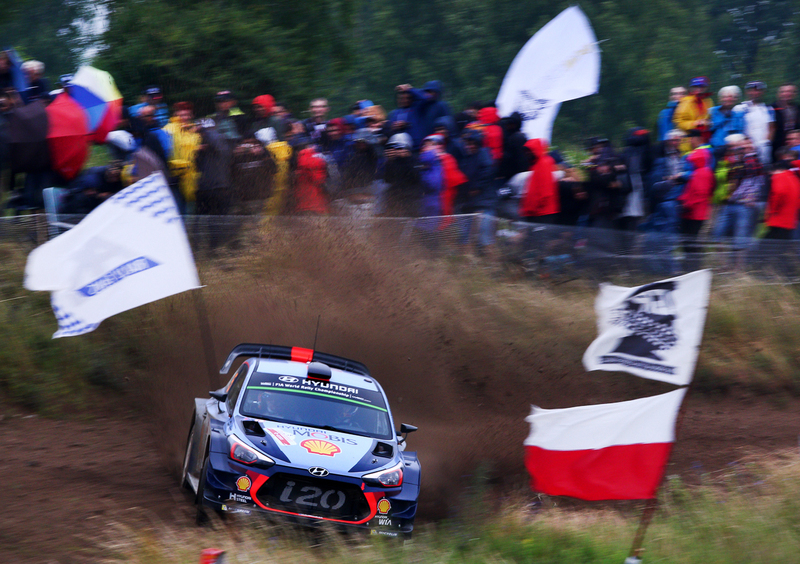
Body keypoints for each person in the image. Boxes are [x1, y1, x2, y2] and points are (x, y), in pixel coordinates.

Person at [163, 101, 201, 213]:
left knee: (191, 206)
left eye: (187, 114)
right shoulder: (168, 129)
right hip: (175, 176)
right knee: (178, 208)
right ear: (176, 114)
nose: (185, 117)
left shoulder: (195, 130)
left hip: (192, 175)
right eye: (182, 114)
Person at [519, 138, 559, 224]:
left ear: (536, 150)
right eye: (526, 151)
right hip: (538, 211)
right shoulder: (536, 164)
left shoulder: (543, 163)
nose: (527, 153)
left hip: (542, 212)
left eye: (530, 150)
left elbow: (546, 190)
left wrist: (534, 207)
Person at [736, 81, 775, 164]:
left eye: (758, 90)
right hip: (746, 147)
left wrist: (766, 142)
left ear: (763, 92)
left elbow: (772, 127)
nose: (755, 93)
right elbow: (737, 128)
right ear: (747, 92)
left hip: (763, 146)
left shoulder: (769, 108)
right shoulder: (740, 108)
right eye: (752, 90)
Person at [674, 77, 713, 153]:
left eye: (702, 86)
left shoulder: (708, 101)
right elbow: (679, 122)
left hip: (706, 139)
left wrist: (709, 122)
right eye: (696, 86)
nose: (699, 89)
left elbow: (711, 117)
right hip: (689, 141)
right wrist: (695, 123)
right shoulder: (685, 102)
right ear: (691, 88)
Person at [709, 86, 745, 158]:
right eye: (725, 97)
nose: (728, 99)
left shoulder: (739, 114)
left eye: (732, 97)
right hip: (716, 149)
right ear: (720, 98)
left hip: (733, 150)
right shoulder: (712, 112)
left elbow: (740, 131)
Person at [772, 84, 799, 162]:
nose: (787, 94)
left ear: (794, 94)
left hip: (794, 145)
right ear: (779, 94)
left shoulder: (797, 108)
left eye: (790, 91)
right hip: (776, 145)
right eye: (783, 91)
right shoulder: (772, 108)